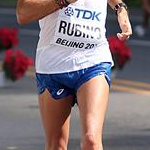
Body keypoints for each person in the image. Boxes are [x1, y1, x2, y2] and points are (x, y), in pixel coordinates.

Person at [16, 0, 132, 149]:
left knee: (91, 140)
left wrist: (120, 9)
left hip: (93, 59)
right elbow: (23, 13)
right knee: (56, 145)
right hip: (53, 65)